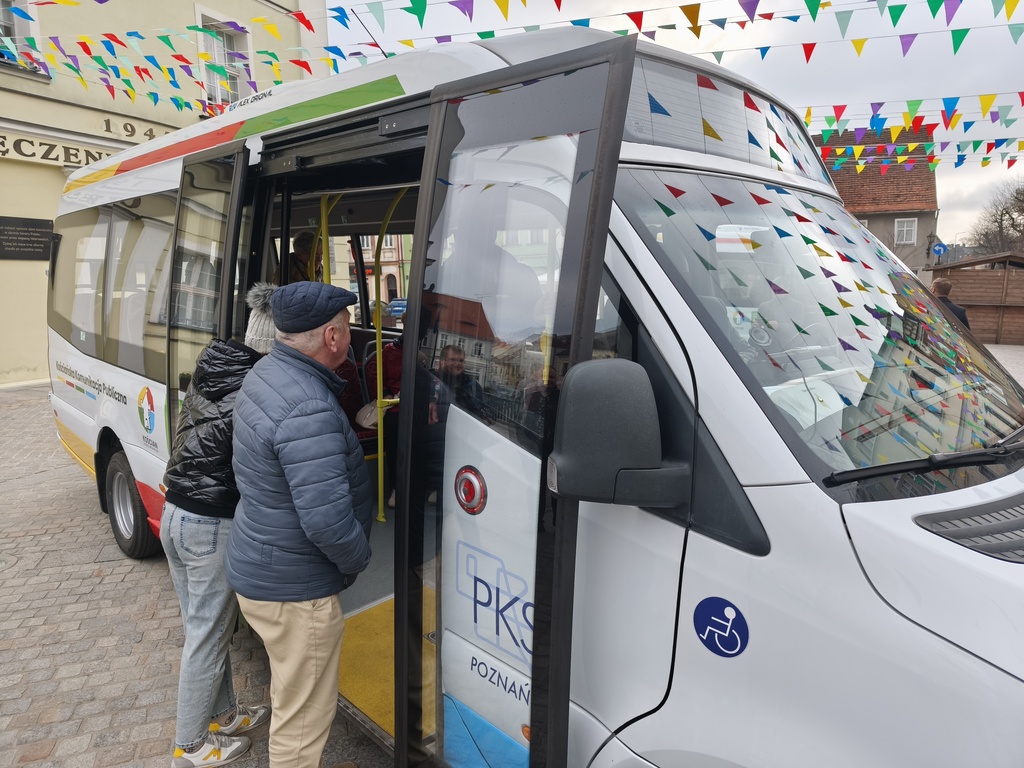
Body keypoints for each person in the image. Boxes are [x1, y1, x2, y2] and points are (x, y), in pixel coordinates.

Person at [225, 281, 372, 768]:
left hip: (263, 568)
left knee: (291, 695)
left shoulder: (267, 372)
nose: (350, 337)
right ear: (331, 336)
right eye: (348, 328)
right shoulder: (308, 405)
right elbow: (328, 522)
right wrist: (358, 560)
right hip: (295, 590)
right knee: (304, 723)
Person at [160, 282, 278, 768]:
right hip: (209, 523)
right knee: (208, 634)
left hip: (175, 512)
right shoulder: (258, 384)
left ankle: (224, 716)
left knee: (205, 628)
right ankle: (189, 748)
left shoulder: (217, 364)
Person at [437, 344, 490, 423]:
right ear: (442, 361)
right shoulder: (433, 380)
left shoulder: (473, 385)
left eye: (461, 360)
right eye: (453, 360)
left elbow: (481, 411)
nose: (458, 363)